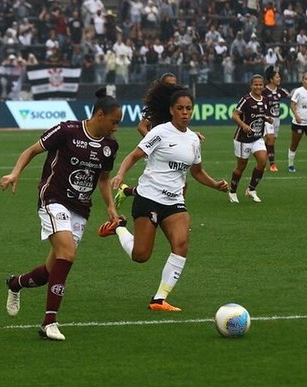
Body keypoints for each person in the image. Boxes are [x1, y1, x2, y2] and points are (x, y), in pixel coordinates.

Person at [0, 88, 122, 341]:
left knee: (50, 271)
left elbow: (103, 179)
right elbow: (31, 150)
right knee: (68, 252)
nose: (116, 127)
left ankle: (15, 283)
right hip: (53, 199)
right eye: (114, 121)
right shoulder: (67, 131)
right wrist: (15, 173)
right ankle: (49, 322)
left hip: (81, 208)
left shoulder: (110, 146)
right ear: (100, 114)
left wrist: (110, 207)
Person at [98, 88, 229, 312]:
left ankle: (159, 299)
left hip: (175, 202)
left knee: (181, 245)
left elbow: (197, 172)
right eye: (180, 108)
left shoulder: (193, 140)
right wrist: (120, 175)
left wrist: (216, 184)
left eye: (188, 109)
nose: (185, 113)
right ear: (171, 110)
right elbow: (134, 155)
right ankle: (118, 227)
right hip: (149, 197)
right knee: (141, 256)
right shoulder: (159, 132)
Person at [115, 72, 203, 208]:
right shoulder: (156, 105)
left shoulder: (176, 102)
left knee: (178, 184)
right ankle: (175, 210)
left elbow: (178, 131)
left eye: (174, 84)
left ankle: (176, 209)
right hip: (158, 147)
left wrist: (188, 136)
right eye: (169, 84)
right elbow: (141, 126)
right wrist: (153, 144)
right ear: (162, 85)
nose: (172, 86)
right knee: (156, 186)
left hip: (169, 147)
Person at [228, 74, 273, 204]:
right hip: (243, 139)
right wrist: (243, 125)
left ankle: (251, 190)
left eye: (260, 84)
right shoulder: (246, 99)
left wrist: (266, 118)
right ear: (251, 86)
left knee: (263, 161)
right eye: (256, 84)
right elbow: (235, 115)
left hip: (257, 137)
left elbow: (261, 114)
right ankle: (232, 191)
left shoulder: (264, 100)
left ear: (263, 86)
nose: (258, 87)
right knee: (241, 166)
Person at [262, 66, 290, 172]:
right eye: (277, 77)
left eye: (279, 77)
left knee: (270, 141)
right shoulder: (264, 91)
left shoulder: (280, 91)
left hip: (277, 120)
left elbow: (290, 96)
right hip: (267, 119)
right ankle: (272, 164)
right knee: (270, 138)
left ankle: (262, 160)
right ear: (271, 79)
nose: (279, 79)